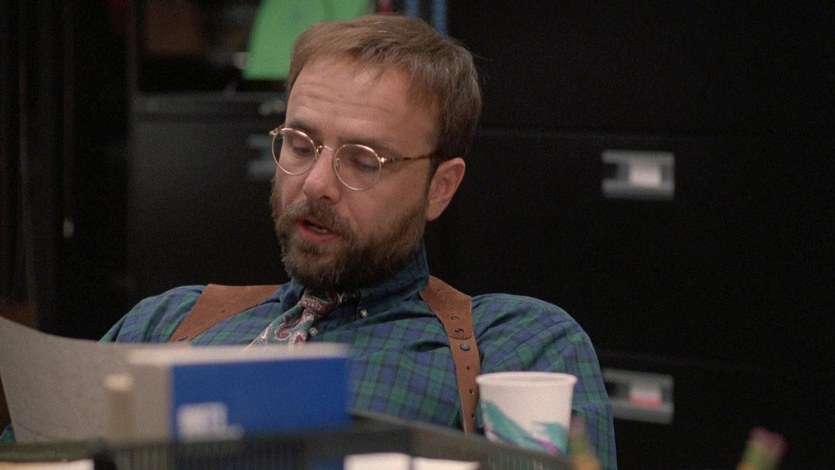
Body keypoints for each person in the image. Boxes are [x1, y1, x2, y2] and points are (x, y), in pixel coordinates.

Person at [2, 14, 616, 468]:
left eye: (363, 159)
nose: (316, 183)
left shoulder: (515, 347)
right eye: (300, 145)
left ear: (440, 187)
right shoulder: (165, 321)